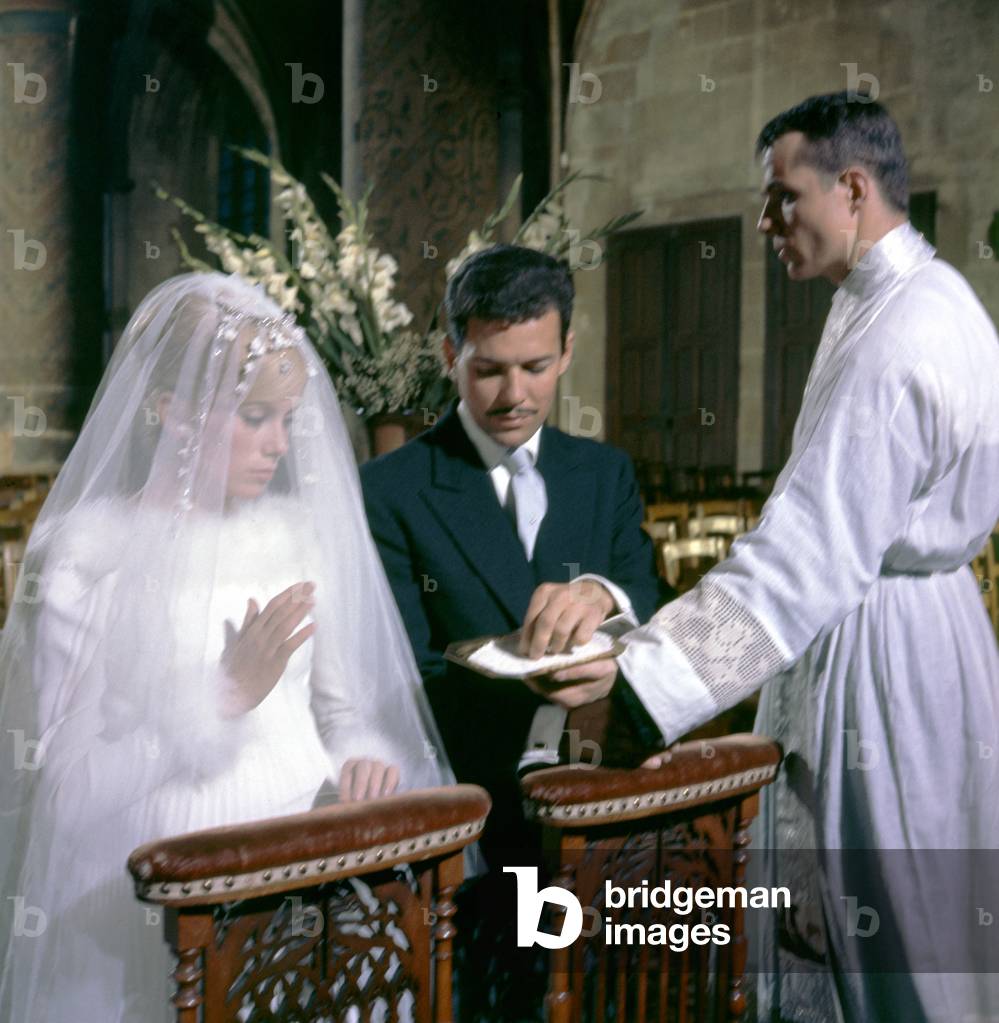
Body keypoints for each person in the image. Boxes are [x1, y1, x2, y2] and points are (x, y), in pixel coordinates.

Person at [539, 92, 999, 1022]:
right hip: (931, 637)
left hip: (883, 658)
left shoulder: (899, 333)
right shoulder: (921, 295)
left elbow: (803, 556)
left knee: (888, 942)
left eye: (781, 197)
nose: (763, 222)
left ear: (853, 189)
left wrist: (637, 692)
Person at [0, 273, 451, 1022]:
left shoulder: (297, 538)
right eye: (254, 416)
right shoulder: (90, 555)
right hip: (147, 901)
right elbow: (67, 794)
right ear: (170, 411)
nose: (280, 443)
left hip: (301, 877)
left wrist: (361, 764)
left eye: (288, 418)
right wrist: (220, 698)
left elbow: (339, 714)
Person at [360, 245, 663, 1018]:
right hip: (472, 809)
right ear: (449, 355)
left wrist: (602, 596)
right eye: (489, 368)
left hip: (604, 801)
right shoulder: (391, 489)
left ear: (567, 350)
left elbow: (652, 609)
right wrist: (516, 680)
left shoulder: (603, 473)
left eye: (534, 366)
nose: (512, 394)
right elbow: (399, 669)